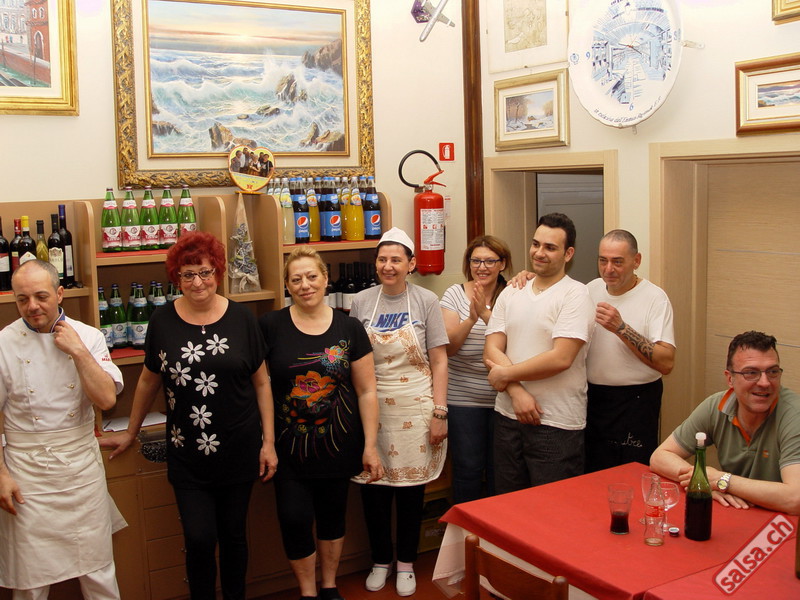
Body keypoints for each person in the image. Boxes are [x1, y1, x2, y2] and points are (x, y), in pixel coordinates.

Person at [102, 232, 277, 600]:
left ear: (218, 272)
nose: (198, 282)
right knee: (198, 538)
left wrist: (269, 443)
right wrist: (131, 431)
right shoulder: (162, 321)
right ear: (176, 278)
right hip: (187, 453)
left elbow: (262, 383)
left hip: (239, 448)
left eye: (205, 272)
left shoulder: (242, 319)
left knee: (233, 536)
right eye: (188, 274)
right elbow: (148, 379)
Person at [259, 247, 382, 600]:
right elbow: (260, 386)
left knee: (332, 518)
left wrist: (370, 445)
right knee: (294, 519)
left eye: (312, 276)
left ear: (326, 279)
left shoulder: (349, 327)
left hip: (338, 444)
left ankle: (329, 586)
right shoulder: (269, 326)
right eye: (296, 279)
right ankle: (307, 591)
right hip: (288, 449)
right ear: (287, 285)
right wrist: (267, 442)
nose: (305, 285)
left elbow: (367, 390)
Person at [0, 259, 126, 600]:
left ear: (59, 294)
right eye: (23, 299)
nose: (32, 306)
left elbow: (106, 399)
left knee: (98, 570)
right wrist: (1, 474)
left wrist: (78, 352)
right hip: (26, 475)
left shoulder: (89, 336)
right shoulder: (4, 343)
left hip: (80, 470)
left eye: (41, 296)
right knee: (31, 580)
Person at [349, 227, 448, 597]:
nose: (388, 266)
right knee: (373, 489)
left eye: (396, 260)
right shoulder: (361, 302)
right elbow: (355, 359)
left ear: (411, 264)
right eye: (382, 259)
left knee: (410, 492)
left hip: (416, 407)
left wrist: (440, 412)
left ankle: (406, 562)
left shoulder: (426, 301)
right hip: (372, 408)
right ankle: (380, 560)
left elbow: (439, 360)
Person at [484, 213, 594, 493]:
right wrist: (517, 392)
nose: (539, 252)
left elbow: (561, 358)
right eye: (536, 244)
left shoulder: (576, 295)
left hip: (555, 423)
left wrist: (506, 375)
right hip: (507, 416)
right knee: (507, 505)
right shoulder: (512, 291)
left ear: (568, 254)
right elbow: (492, 349)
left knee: (552, 508)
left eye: (550, 247)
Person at [650, 331, 800, 515]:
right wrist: (702, 480)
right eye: (751, 373)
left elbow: (795, 499)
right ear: (730, 379)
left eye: (772, 372)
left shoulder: (794, 415)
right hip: (741, 514)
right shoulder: (716, 405)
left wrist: (722, 480)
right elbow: (660, 457)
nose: (764, 382)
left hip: (784, 522)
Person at [584, 229, 676, 471]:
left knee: (631, 474)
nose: (608, 269)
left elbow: (666, 362)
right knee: (592, 473)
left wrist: (621, 328)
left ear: (636, 261)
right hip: (593, 398)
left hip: (636, 401)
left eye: (617, 262)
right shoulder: (590, 290)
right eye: (603, 260)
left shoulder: (655, 298)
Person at [440, 235, 512, 503]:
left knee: (500, 472)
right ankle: (463, 528)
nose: (482, 267)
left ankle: (494, 528)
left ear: (502, 264)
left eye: (489, 261)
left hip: (504, 398)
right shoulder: (454, 294)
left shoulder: (513, 295)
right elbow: (448, 348)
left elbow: (517, 342)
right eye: (476, 261)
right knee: (468, 470)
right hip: (463, 400)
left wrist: (485, 314)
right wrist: (471, 318)